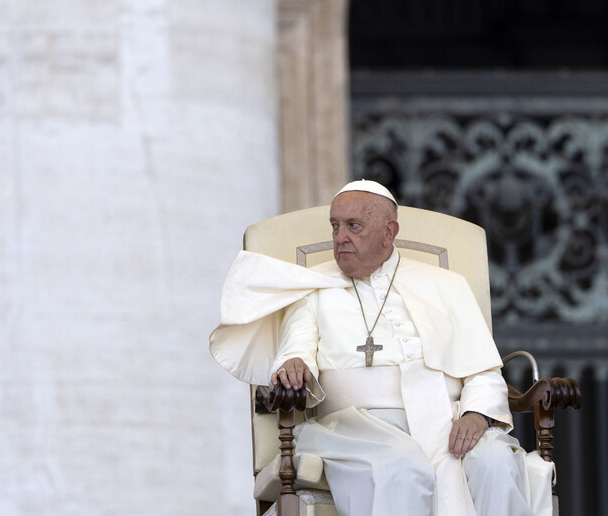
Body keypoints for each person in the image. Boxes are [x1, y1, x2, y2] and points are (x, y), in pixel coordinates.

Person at [210, 180, 553, 516]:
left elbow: (483, 369)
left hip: (447, 420)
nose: (340, 237)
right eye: (335, 226)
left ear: (388, 232)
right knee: (401, 467)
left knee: (495, 462)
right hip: (354, 427)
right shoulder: (313, 287)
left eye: (353, 226)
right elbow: (294, 349)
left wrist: (476, 414)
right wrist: (293, 364)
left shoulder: (446, 285)